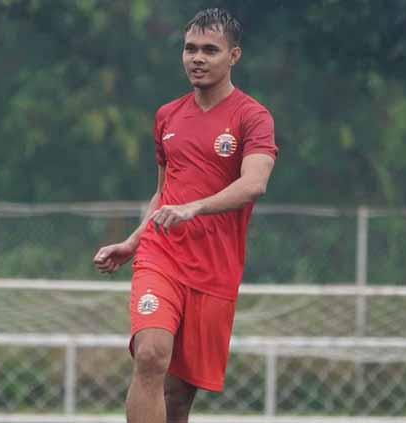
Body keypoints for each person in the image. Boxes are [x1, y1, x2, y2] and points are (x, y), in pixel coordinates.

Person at [93, 8, 277, 423]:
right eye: (190, 48)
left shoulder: (252, 117)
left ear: (234, 56)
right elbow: (163, 192)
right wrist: (133, 242)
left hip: (214, 271)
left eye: (210, 50)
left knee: (177, 398)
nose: (197, 58)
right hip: (161, 256)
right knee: (151, 355)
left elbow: (255, 183)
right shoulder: (168, 116)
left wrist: (196, 207)